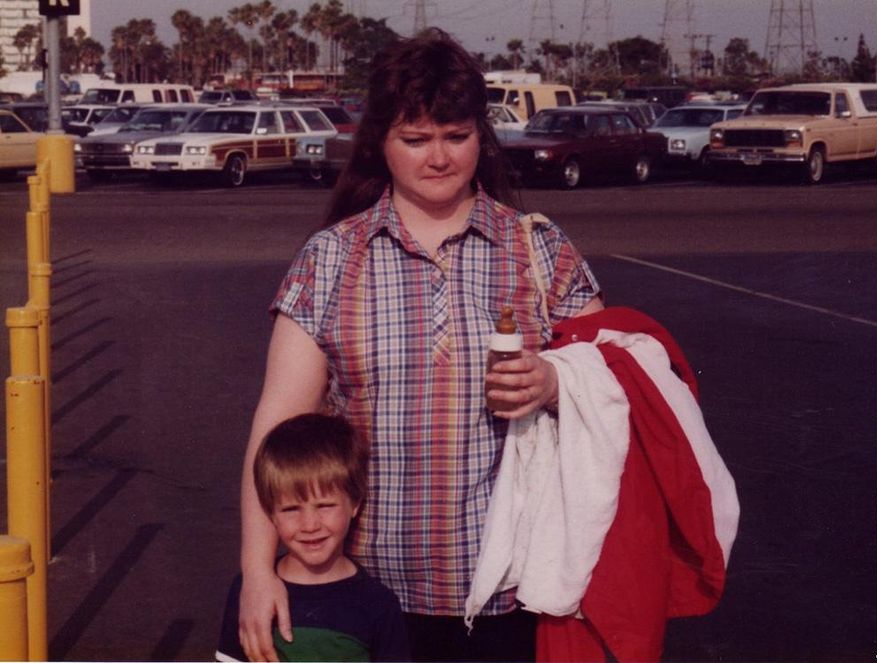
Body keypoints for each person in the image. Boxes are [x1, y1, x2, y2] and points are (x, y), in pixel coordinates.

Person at [237, 27, 603, 663]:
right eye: (415, 139)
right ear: (380, 145)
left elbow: (618, 382)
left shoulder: (538, 249)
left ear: (480, 138)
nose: (439, 158)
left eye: (456, 137)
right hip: (366, 597)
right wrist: (257, 571)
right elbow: (277, 433)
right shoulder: (329, 260)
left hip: (515, 600)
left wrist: (555, 382)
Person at [218, 413, 410, 661]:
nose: (309, 525)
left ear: (354, 503)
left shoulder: (378, 604)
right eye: (291, 509)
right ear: (269, 513)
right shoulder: (250, 591)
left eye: (325, 506)